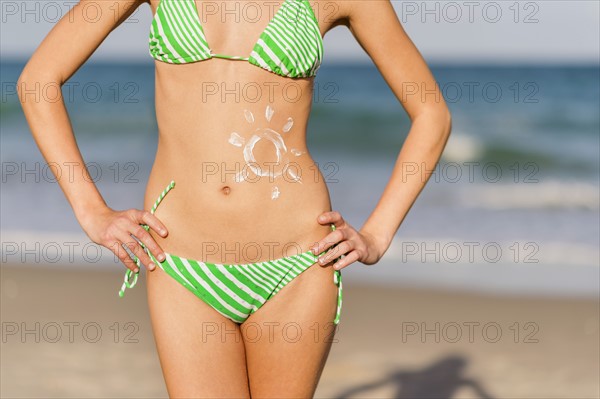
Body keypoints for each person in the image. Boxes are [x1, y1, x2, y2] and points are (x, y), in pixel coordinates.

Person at [17, 0, 452, 397]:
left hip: (297, 263)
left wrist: (377, 234)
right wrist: (91, 210)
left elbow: (432, 114)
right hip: (181, 263)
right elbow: (39, 81)